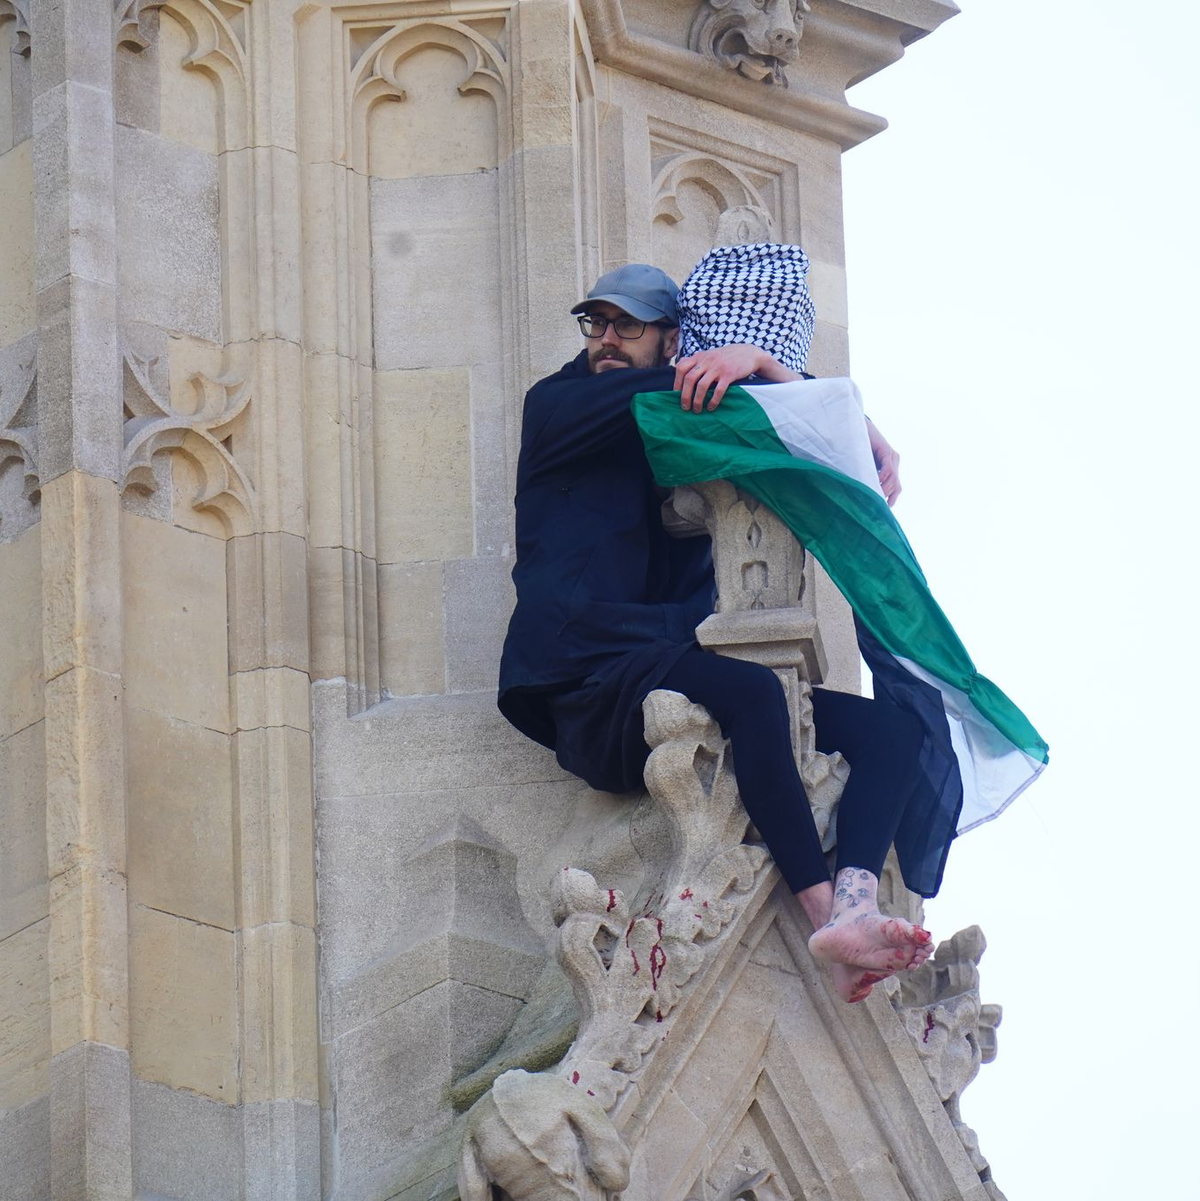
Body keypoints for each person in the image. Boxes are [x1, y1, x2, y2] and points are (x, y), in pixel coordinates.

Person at [497, 261, 930, 1002]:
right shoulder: (562, 403)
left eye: (627, 325)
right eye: (595, 323)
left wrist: (843, 416)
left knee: (892, 732)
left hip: (660, 657)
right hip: (586, 675)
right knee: (756, 694)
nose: (605, 338)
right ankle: (825, 915)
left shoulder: (679, 418)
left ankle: (858, 897)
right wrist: (770, 368)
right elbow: (733, 396)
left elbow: (772, 420)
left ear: (672, 338)